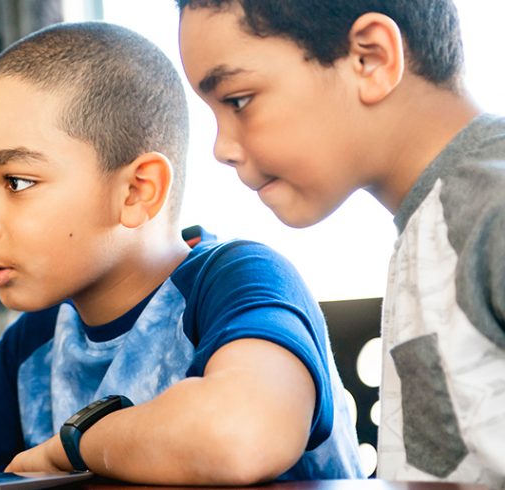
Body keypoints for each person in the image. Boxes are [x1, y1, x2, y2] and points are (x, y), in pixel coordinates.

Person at [0, 21, 362, 485]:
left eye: (15, 181)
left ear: (136, 191)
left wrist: (72, 445)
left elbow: (242, 432)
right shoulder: (41, 337)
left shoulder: (239, 280)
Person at [175, 1, 505, 487]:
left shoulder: (490, 207)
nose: (221, 148)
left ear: (369, 59)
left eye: (238, 100)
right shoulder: (432, 219)